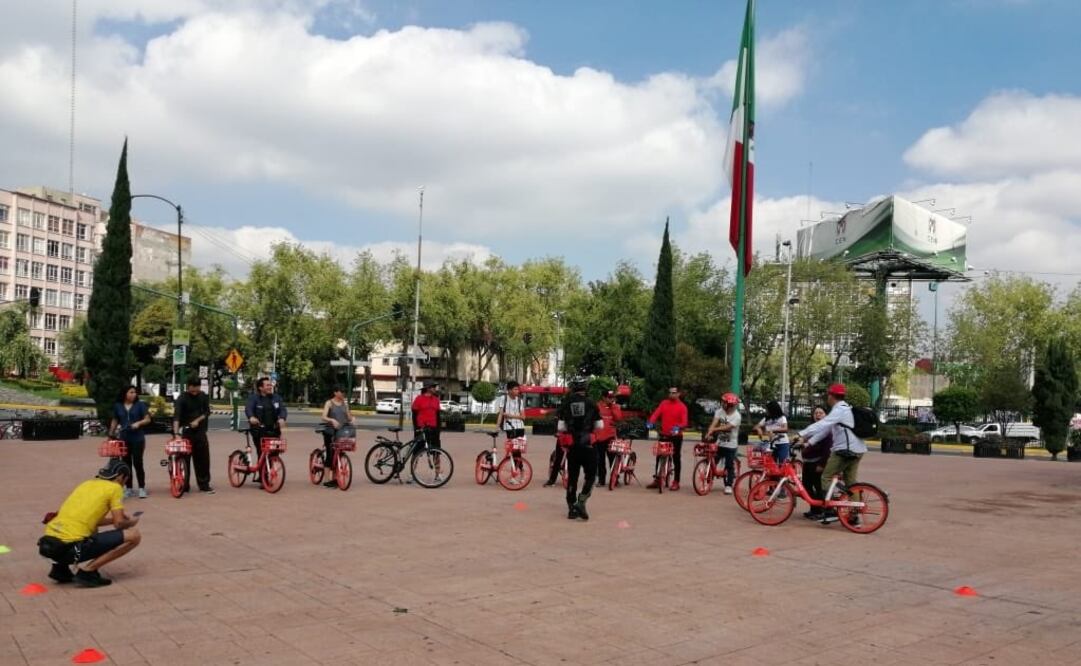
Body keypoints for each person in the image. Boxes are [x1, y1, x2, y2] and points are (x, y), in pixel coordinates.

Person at [38, 458, 142, 587]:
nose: (124, 484)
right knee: (134, 536)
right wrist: (130, 522)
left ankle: (60, 569)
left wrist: (113, 519)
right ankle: (88, 572)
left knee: (89, 528)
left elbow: (89, 520)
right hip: (71, 550)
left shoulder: (86, 484)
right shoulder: (114, 488)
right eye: (126, 479)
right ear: (121, 476)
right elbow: (119, 524)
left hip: (49, 546)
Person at [793, 383, 868, 524]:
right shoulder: (846, 409)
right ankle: (854, 516)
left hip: (845, 451)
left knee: (826, 477)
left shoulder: (839, 410)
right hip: (858, 450)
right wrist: (808, 443)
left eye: (828, 395)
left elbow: (822, 424)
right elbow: (825, 431)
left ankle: (830, 510)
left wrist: (801, 434)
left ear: (831, 396)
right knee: (851, 483)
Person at [557, 379, 602, 520]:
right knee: (591, 475)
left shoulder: (566, 403)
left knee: (573, 477)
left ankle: (571, 508)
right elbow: (600, 425)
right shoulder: (592, 403)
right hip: (588, 444)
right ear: (585, 388)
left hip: (573, 445)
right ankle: (581, 502)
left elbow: (560, 427)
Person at [172, 377, 214, 494]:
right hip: (186, 432)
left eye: (197, 388)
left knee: (203, 459)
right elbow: (177, 416)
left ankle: (204, 484)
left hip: (200, 431)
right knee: (184, 459)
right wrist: (176, 434)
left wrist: (198, 420)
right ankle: (184, 485)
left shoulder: (203, 396)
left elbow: (207, 412)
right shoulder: (182, 398)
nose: (195, 390)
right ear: (188, 386)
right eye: (193, 388)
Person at [109, 385, 152, 499]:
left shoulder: (140, 405)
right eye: (131, 392)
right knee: (126, 464)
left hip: (138, 438)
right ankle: (129, 488)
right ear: (125, 394)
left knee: (138, 463)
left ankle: (142, 488)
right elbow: (115, 419)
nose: (134, 394)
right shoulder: (118, 406)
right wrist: (111, 433)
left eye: (134, 392)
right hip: (124, 438)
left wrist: (138, 423)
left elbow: (147, 419)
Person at [244, 377, 288, 480]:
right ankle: (263, 478)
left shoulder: (276, 398)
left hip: (274, 430)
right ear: (260, 388)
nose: (270, 386)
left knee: (274, 452)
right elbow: (248, 408)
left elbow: (283, 409)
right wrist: (251, 417)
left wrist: (282, 418)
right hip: (259, 430)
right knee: (262, 452)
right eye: (267, 385)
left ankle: (267, 472)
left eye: (270, 385)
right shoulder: (254, 398)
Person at [646, 387, 689, 491]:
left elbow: (684, 422)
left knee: (676, 457)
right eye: (670, 393)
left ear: (678, 394)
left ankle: (676, 481)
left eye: (674, 393)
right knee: (659, 455)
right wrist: (651, 422)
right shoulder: (664, 403)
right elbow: (656, 413)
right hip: (664, 434)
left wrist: (679, 426)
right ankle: (657, 478)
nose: (671, 394)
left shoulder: (682, 407)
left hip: (676, 436)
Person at [704, 392, 742, 494]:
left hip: (731, 445)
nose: (722, 404)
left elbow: (728, 427)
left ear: (730, 405)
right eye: (722, 402)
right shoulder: (719, 411)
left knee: (729, 465)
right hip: (719, 443)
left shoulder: (737, 416)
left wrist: (715, 429)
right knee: (712, 461)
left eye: (724, 402)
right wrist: (709, 432)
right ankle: (708, 480)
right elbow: (714, 422)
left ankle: (728, 485)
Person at [318, 386, 354, 488]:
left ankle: (335, 478)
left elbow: (348, 417)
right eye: (341, 391)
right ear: (335, 393)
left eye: (344, 391)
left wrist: (352, 419)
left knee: (339, 452)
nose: (343, 393)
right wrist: (332, 420)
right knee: (330, 453)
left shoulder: (345, 404)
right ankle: (326, 480)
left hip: (341, 431)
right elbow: (323, 417)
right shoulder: (329, 403)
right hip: (330, 431)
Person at [801, 406, 832, 520]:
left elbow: (827, 450)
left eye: (821, 413)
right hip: (807, 462)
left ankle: (821, 510)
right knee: (806, 486)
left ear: (826, 415)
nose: (818, 415)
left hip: (817, 463)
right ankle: (814, 509)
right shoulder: (811, 429)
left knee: (818, 487)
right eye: (816, 413)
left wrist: (822, 464)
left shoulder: (827, 430)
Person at [593, 389, 623, 487]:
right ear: (604, 397)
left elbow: (618, 418)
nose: (611, 399)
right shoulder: (597, 406)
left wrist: (612, 407)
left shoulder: (615, 407)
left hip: (610, 437)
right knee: (600, 460)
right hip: (599, 437)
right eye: (609, 397)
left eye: (612, 397)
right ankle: (601, 480)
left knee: (612, 459)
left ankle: (615, 479)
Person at [752, 400, 790, 465]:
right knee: (771, 464)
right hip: (770, 444)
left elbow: (785, 429)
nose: (767, 411)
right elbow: (755, 427)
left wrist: (772, 430)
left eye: (768, 410)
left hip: (782, 443)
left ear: (773, 410)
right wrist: (758, 429)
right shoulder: (766, 419)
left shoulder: (782, 418)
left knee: (782, 463)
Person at [411, 380, 442, 450]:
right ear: (428, 388)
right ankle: (415, 456)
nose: (435, 388)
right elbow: (414, 414)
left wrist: (439, 428)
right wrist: (416, 428)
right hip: (421, 427)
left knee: (435, 449)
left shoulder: (436, 399)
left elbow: (438, 415)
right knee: (418, 448)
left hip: (433, 428)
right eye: (433, 387)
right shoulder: (419, 399)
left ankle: (435, 455)